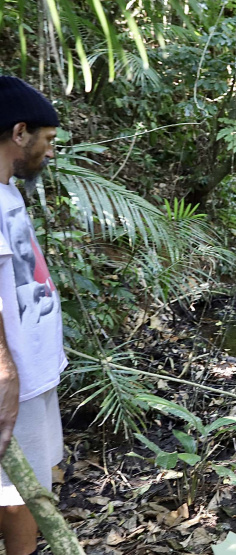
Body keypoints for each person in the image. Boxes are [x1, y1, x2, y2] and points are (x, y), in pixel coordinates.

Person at [0, 76, 66, 555]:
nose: (50, 152)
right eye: (47, 141)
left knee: (29, 482)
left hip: (31, 372)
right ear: (19, 132)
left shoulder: (8, 193)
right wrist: (4, 370)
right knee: (19, 493)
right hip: (13, 377)